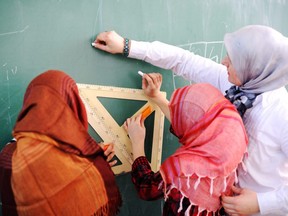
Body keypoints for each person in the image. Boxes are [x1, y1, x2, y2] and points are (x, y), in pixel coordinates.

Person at [93, 25, 288, 215]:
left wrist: (260, 204)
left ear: (252, 66)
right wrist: (128, 47)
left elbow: (148, 187)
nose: (223, 62)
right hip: (211, 202)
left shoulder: (282, 115)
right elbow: (184, 60)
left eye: (233, 60)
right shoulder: (239, 81)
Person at [124, 72, 248, 215]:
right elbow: (194, 129)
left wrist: (137, 141)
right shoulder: (232, 137)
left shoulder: (185, 169)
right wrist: (156, 98)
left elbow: (146, 188)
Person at [0, 70, 122, 216]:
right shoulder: (89, 165)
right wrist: (94, 159)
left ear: (30, 103)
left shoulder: (8, 156)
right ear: (73, 104)